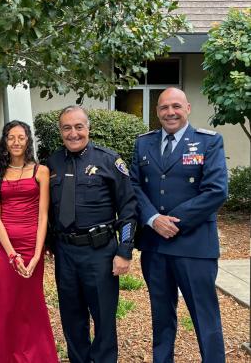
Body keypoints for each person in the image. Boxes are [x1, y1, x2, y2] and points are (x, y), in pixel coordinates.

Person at [130, 87, 227, 363]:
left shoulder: (209, 142)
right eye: (163, 107)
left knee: (205, 317)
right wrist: (152, 219)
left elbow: (216, 190)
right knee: (161, 317)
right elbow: (134, 186)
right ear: (157, 111)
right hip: (155, 247)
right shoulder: (144, 143)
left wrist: (173, 222)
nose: (170, 112)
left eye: (176, 106)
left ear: (187, 108)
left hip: (194, 245)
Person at [47, 105, 137, 363]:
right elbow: (47, 210)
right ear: (60, 131)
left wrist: (125, 250)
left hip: (100, 253)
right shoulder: (51, 163)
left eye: (78, 127)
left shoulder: (109, 161)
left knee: (104, 319)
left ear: (88, 128)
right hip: (65, 254)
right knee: (72, 320)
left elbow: (129, 209)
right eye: (67, 128)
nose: (73, 133)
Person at [0, 120, 58, 363]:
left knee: (31, 302)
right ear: (5, 141)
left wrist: (36, 254)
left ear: (28, 140)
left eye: (21, 137)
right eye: (11, 137)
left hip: (32, 245)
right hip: (3, 248)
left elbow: (44, 215)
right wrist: (11, 254)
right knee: (5, 301)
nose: (16, 142)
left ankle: (34, 355)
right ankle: (3, 355)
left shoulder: (40, 171)